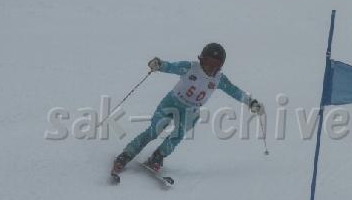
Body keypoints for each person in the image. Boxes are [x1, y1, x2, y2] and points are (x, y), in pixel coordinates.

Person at [111, 42, 264, 176]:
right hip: (171, 102)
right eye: (207, 62)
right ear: (201, 59)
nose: (210, 68)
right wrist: (159, 64)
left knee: (177, 135)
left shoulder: (219, 80)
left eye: (215, 65)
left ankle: (158, 156)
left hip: (191, 111)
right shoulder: (190, 68)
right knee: (154, 130)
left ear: (220, 66)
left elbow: (234, 91)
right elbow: (171, 67)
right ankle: (127, 154)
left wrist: (251, 102)